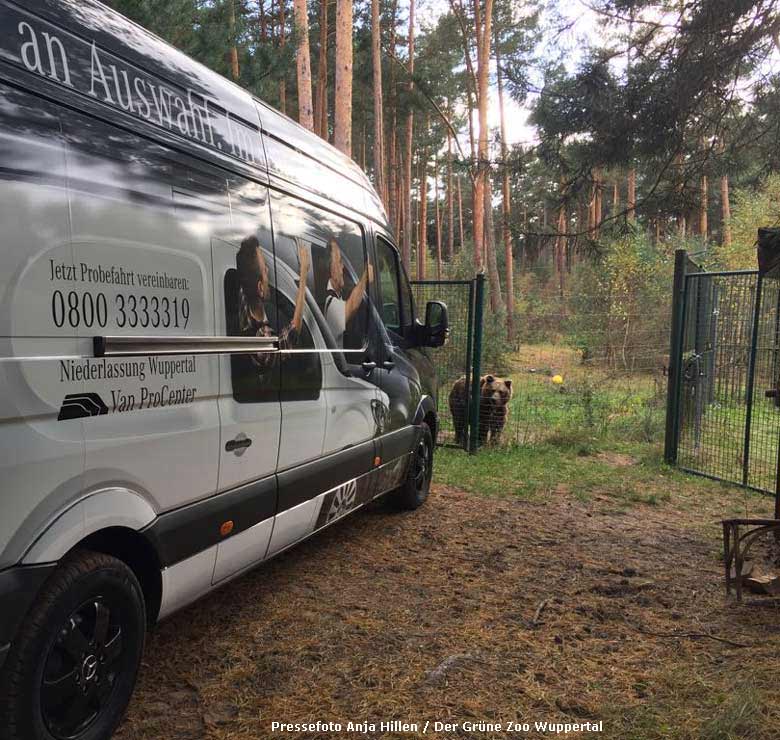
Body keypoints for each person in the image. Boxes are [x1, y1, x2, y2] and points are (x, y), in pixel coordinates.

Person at [235, 234, 311, 373]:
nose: (268, 270)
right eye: (265, 270)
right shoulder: (261, 343)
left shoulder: (244, 294)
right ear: (260, 288)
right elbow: (293, 332)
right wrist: (303, 274)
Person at [323, 237, 373, 348]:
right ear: (331, 269)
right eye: (339, 262)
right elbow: (352, 306)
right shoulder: (330, 303)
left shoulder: (339, 296)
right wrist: (365, 277)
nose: (343, 266)